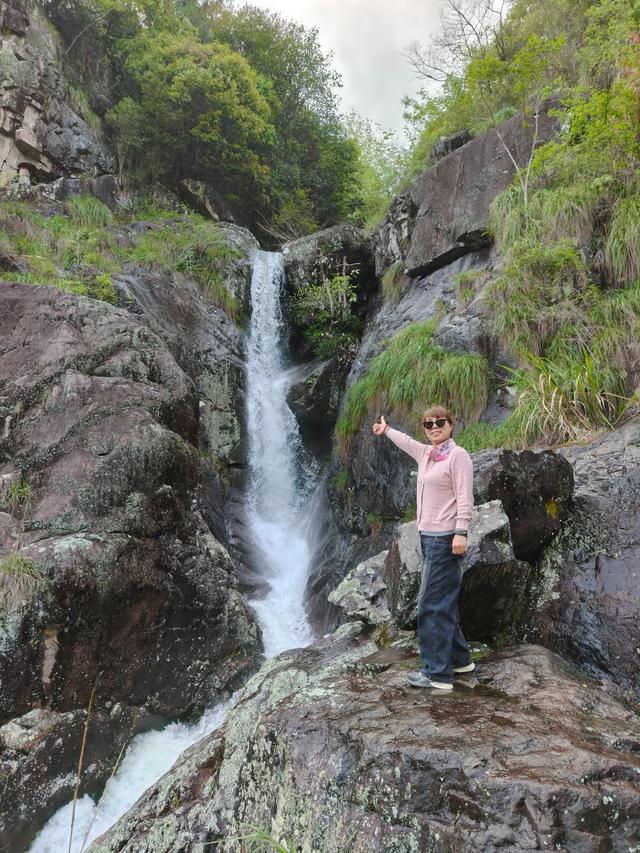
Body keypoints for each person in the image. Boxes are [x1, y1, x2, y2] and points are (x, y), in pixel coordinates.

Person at [372, 406, 475, 691]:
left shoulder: (458, 456)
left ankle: (437, 674)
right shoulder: (428, 455)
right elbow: (408, 443)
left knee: (430, 605)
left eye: (439, 422)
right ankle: (460, 660)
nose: (433, 427)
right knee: (442, 601)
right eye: (428, 424)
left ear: (451, 425)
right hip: (427, 537)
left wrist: (461, 531)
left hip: (445, 538)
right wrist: (387, 430)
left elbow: (465, 496)